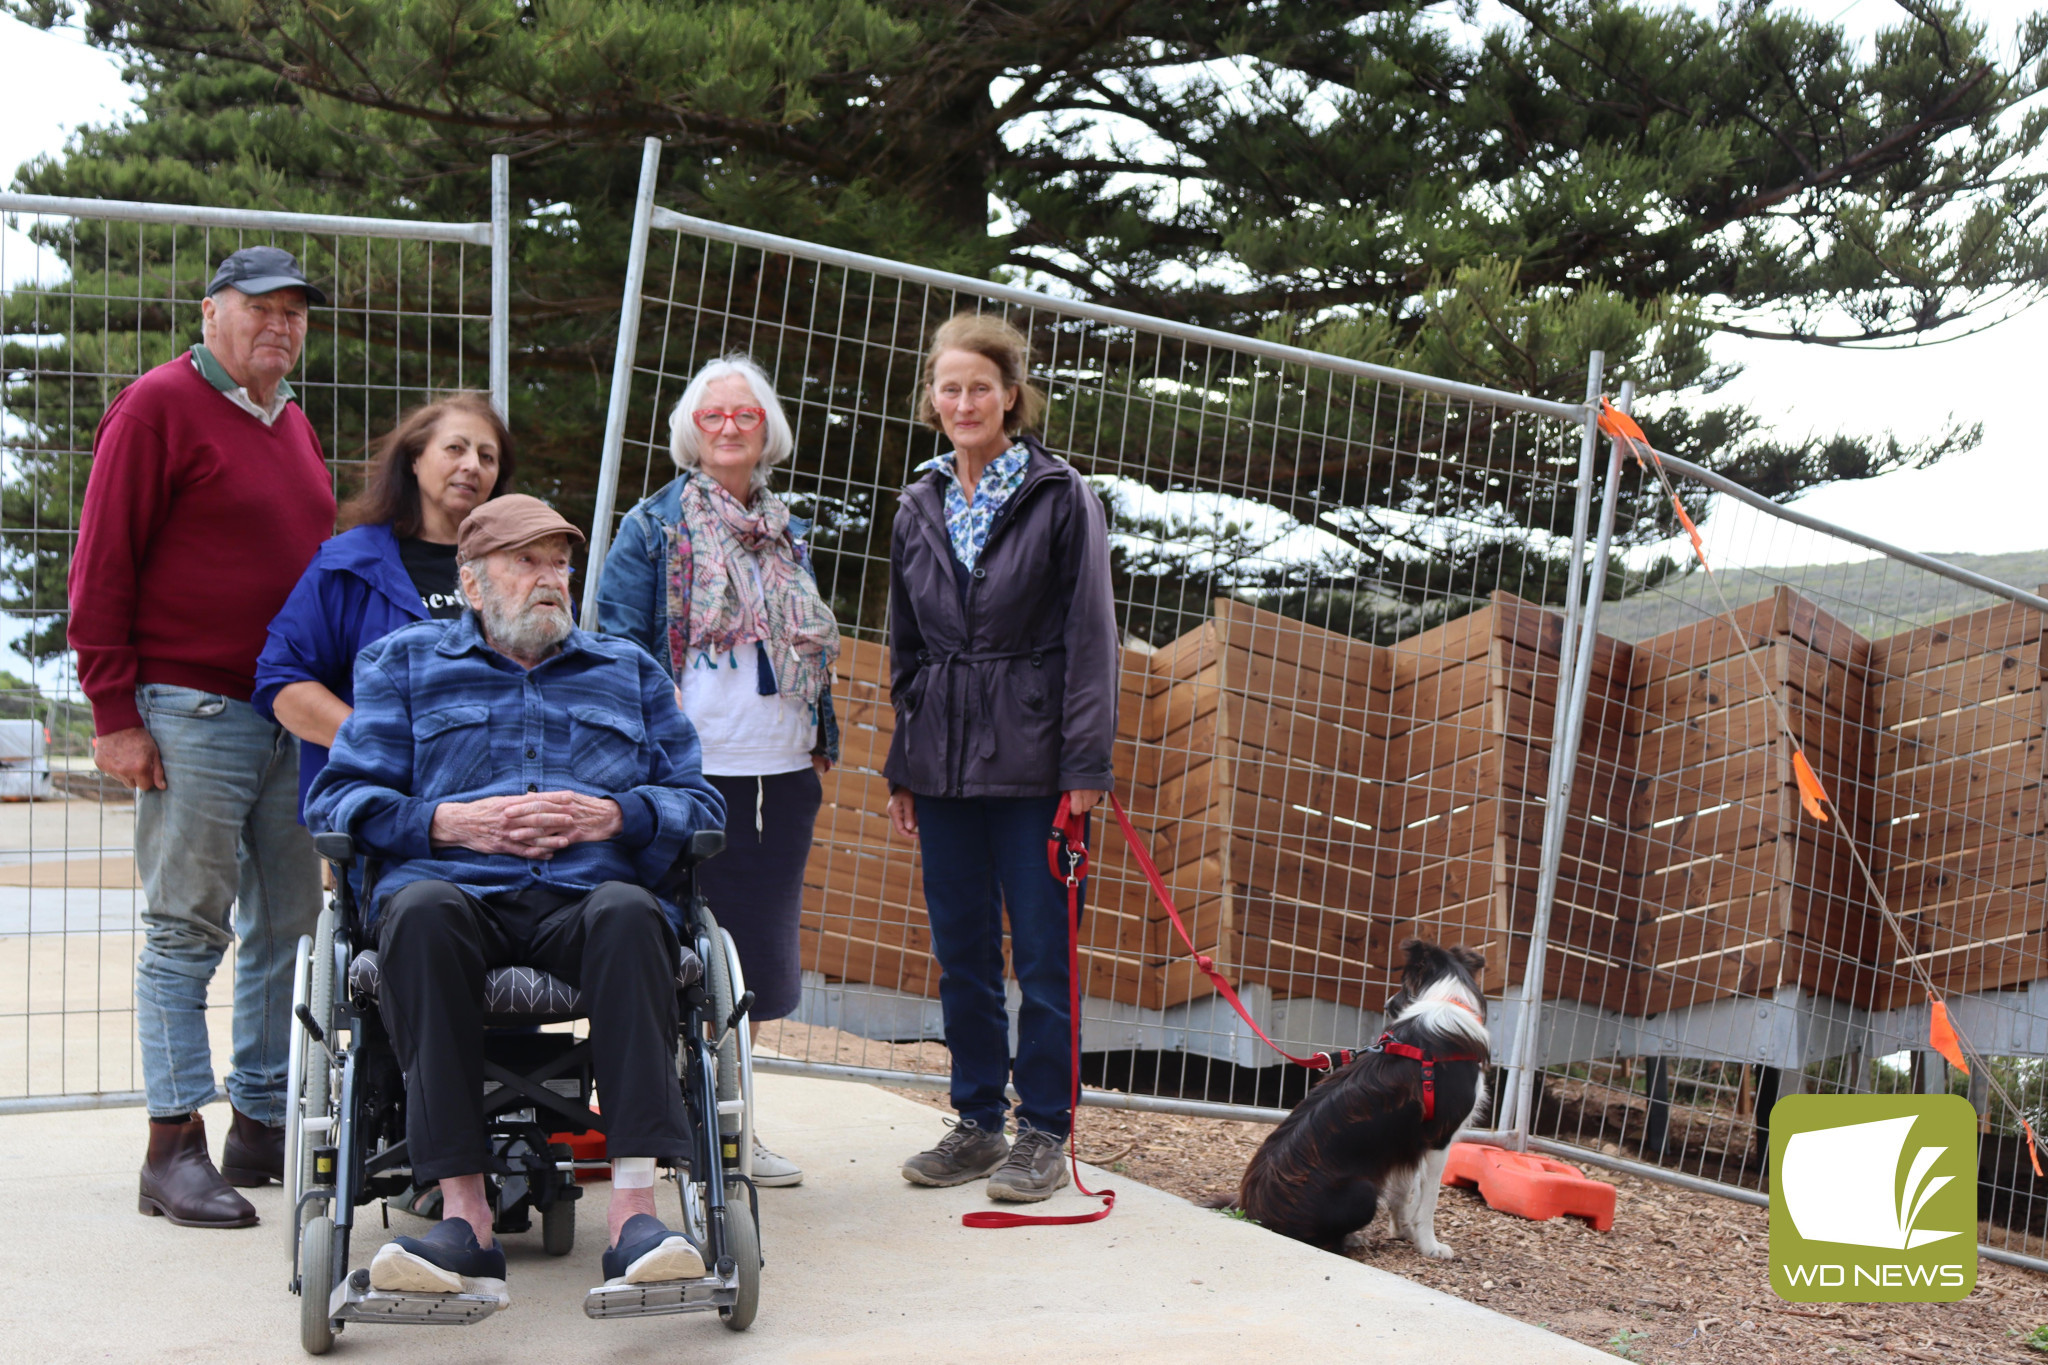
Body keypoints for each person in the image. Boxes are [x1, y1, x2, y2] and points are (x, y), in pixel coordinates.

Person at [306, 495, 726, 1303]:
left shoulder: (629, 671)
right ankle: (465, 1218)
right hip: (456, 896)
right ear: (471, 581)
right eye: (525, 561)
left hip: (588, 896)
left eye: (559, 562)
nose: (550, 579)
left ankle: (636, 1215)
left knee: (634, 913)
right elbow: (338, 803)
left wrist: (618, 813)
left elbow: (700, 807)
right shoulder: (403, 665)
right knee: (418, 913)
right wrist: (448, 822)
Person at [69, 246, 335, 1229]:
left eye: (295, 313)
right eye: (261, 308)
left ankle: (260, 1123)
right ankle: (170, 1146)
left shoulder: (293, 425)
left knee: (290, 930)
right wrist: (112, 715)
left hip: (288, 715)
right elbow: (102, 566)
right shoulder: (156, 407)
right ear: (212, 311)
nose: (281, 326)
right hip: (191, 712)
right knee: (187, 932)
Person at [885, 313, 1119, 1203]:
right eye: (949, 387)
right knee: (963, 952)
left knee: (1046, 953)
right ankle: (979, 1120)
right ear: (933, 400)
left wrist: (1085, 769)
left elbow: (1091, 640)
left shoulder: (1063, 496)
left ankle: (1045, 1131)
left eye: (981, 385)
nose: (965, 401)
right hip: (941, 763)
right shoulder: (917, 502)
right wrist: (904, 764)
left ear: (1011, 395)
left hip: (1038, 767)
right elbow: (904, 648)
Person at [597, 354, 840, 1188]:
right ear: (689, 431)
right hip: (693, 771)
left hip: (781, 769)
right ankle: (677, 1127)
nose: (730, 427)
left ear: (766, 429)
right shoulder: (653, 524)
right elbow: (620, 644)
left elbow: (806, 647)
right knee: (678, 952)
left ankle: (736, 1120)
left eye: (744, 415)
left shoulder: (788, 527)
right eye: (713, 416)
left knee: (757, 958)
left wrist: (819, 738)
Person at [254, 390, 514, 817]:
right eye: (455, 448)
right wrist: (380, 743)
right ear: (414, 459)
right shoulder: (350, 564)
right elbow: (283, 681)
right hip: (385, 810)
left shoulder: (522, 570)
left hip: (503, 803)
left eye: (488, 457)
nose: (472, 465)